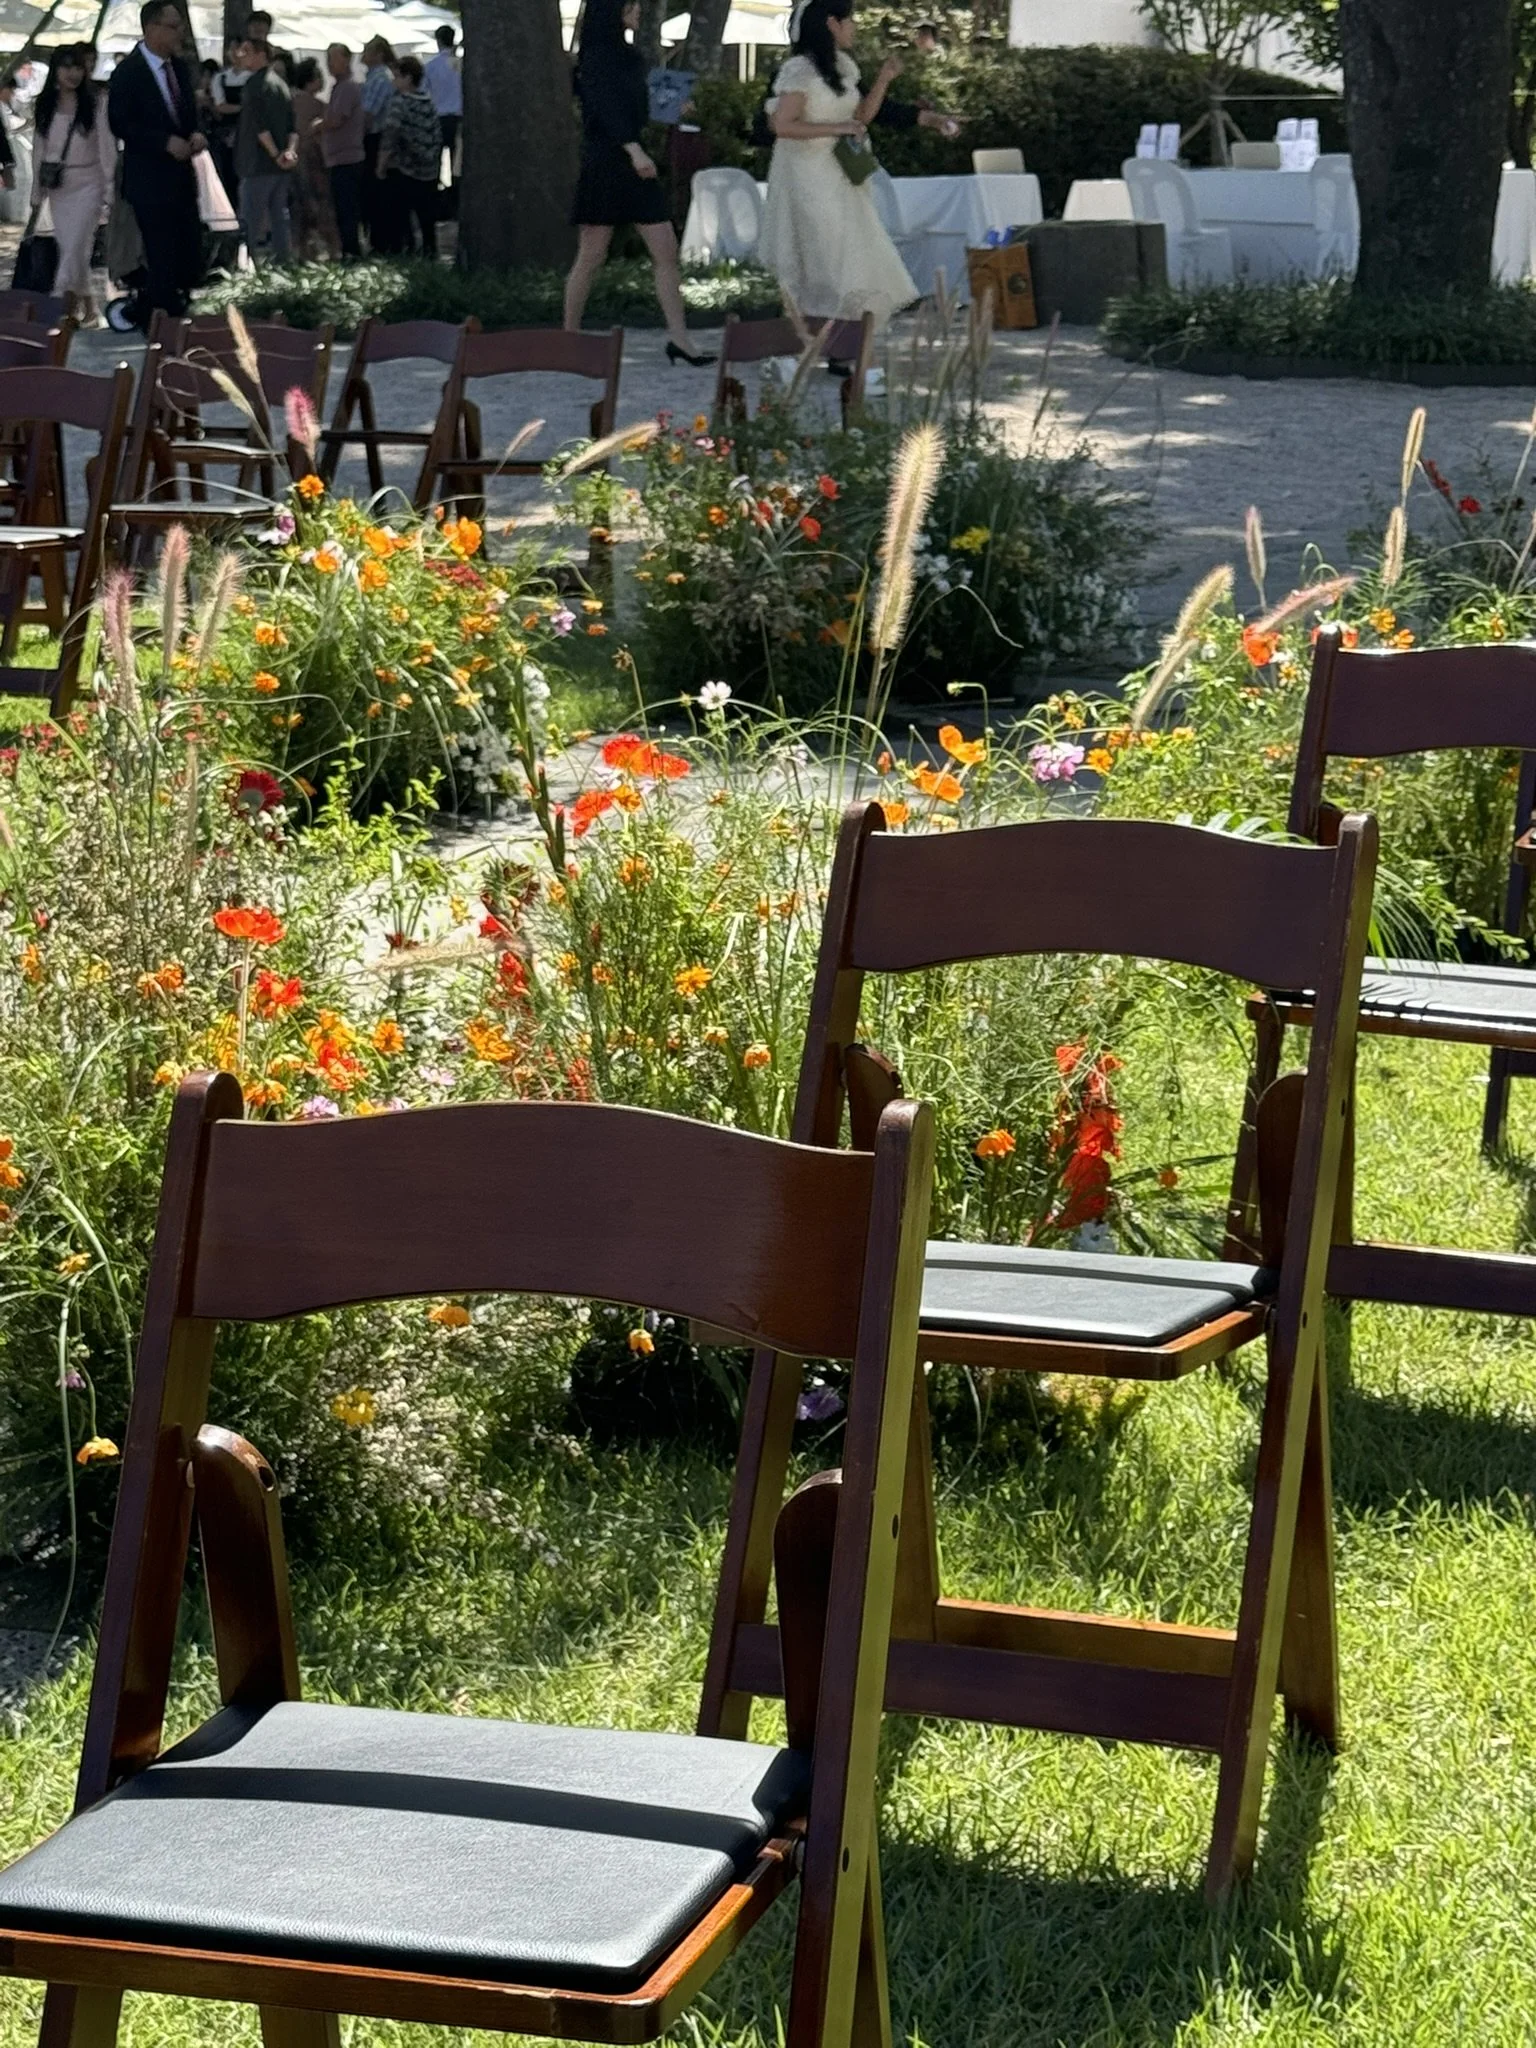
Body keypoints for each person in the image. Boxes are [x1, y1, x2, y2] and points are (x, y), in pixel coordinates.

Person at [564, 0, 712, 367]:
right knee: (591, 254)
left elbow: (638, 104)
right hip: (607, 159)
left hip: (634, 157)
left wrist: (673, 106)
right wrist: (633, 150)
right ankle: (567, 336)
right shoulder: (596, 58)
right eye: (631, 5)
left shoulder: (631, 56)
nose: (638, 11)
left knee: (665, 248)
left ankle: (679, 338)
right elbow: (602, 109)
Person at [760, 0, 916, 328]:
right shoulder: (800, 69)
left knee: (854, 253)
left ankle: (848, 331)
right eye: (850, 20)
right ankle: (811, 332)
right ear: (832, 23)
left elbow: (859, 117)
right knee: (824, 256)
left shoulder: (843, 67)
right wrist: (835, 129)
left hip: (842, 175)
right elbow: (782, 126)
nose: (855, 27)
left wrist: (884, 80)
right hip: (808, 177)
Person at [107, 0, 206, 324]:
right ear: (152, 28)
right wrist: (163, 142)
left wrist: (196, 134)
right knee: (159, 250)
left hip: (181, 175)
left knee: (186, 247)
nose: (180, 34)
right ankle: (162, 320)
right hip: (149, 178)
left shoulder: (179, 68)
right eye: (173, 26)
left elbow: (189, 115)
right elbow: (120, 122)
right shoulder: (128, 72)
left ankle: (175, 303)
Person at [31, 44, 117, 323]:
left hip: (90, 182)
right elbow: (39, 149)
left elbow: (106, 147)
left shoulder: (96, 103)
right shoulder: (44, 105)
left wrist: (109, 186)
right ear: (55, 70)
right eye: (67, 67)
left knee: (76, 245)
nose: (73, 73)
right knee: (73, 248)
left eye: (78, 67)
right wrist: (36, 190)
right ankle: (90, 309)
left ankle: (58, 304)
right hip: (59, 186)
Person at [233, 31, 294, 264]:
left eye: (246, 51)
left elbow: (260, 128)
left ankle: (246, 269)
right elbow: (292, 125)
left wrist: (276, 153)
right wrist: (289, 152)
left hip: (258, 164)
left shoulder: (254, 85)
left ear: (261, 55)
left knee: (250, 221)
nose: (241, 55)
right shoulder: (281, 84)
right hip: (281, 166)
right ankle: (284, 266)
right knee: (280, 218)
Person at [375, 52, 438, 257]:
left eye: (397, 76)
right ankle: (430, 252)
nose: (394, 80)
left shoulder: (399, 102)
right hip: (428, 169)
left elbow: (390, 136)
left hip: (405, 168)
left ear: (408, 78)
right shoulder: (428, 102)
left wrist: (381, 166)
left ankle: (405, 252)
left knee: (400, 216)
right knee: (426, 217)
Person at [318, 41, 364, 258]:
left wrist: (318, 125)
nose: (329, 64)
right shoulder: (337, 87)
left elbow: (337, 119)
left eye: (333, 59)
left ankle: (352, 252)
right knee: (341, 209)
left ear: (346, 60)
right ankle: (348, 250)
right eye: (327, 59)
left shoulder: (348, 88)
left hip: (348, 158)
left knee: (348, 210)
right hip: (337, 159)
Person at [287, 55, 335, 256]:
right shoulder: (318, 106)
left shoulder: (290, 102)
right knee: (320, 204)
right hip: (313, 160)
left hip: (293, 159)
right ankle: (331, 248)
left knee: (298, 207)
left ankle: (301, 249)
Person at [359, 36, 394, 249]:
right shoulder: (373, 77)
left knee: (374, 191)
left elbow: (369, 114)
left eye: (367, 49)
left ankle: (380, 241)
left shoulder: (381, 79)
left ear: (379, 54)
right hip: (371, 138)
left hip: (375, 138)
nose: (363, 53)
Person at [423, 22, 459, 186]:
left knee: (435, 159)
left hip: (438, 117)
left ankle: (436, 189)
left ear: (438, 41)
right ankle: (455, 193)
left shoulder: (431, 66)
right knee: (457, 162)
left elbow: (424, 91)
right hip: (459, 118)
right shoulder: (461, 65)